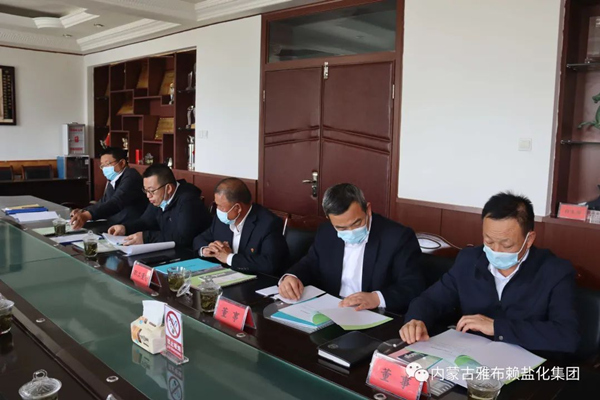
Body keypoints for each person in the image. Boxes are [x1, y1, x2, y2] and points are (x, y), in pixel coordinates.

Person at [400, 192, 580, 354]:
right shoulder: (469, 261)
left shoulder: (555, 272)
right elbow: (431, 300)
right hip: (471, 359)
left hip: (528, 368)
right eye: (489, 241)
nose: (496, 250)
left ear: (529, 239)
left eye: (506, 244)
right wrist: (416, 319)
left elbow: (567, 336)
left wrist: (496, 327)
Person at [278, 183, 424, 313]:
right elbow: (311, 263)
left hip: (373, 313)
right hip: (331, 308)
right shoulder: (326, 231)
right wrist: (292, 277)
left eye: (356, 223)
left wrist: (376, 298)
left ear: (368, 209)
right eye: (341, 228)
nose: (351, 231)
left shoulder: (398, 237)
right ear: (330, 219)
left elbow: (413, 286)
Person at [193, 178, 289, 275]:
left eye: (221, 206)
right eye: (216, 205)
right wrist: (206, 249)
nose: (218, 210)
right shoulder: (222, 219)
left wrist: (229, 258)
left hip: (255, 279)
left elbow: (269, 263)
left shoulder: (268, 223)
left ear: (237, 208)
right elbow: (199, 239)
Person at [108, 164, 211, 248]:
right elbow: (145, 222)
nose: (148, 195)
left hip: (191, 254)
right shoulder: (159, 198)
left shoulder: (188, 201)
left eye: (151, 191)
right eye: (146, 190)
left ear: (168, 188)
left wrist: (146, 237)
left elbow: (182, 238)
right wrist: (125, 228)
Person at [70, 147, 147, 229]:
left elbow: (116, 202)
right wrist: (83, 211)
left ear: (122, 163)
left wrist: (87, 215)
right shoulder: (113, 179)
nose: (104, 169)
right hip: (113, 224)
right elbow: (103, 202)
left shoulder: (131, 176)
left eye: (107, 164)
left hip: (129, 227)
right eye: (102, 165)